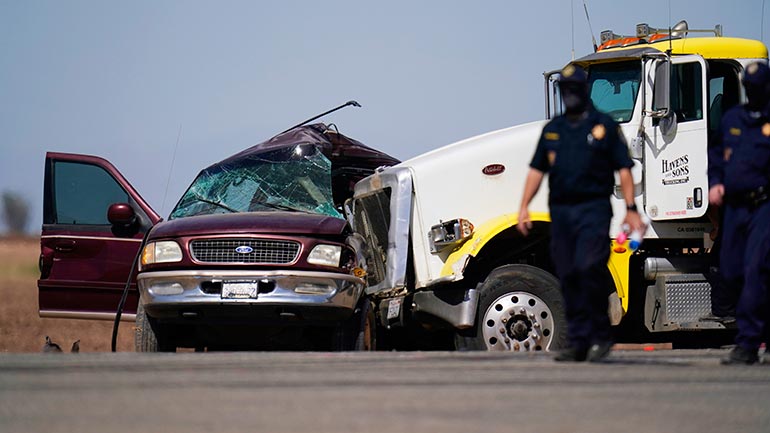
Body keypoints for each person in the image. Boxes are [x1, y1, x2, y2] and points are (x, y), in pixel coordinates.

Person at [517, 64, 642, 362]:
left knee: (590, 269)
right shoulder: (554, 130)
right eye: (565, 89)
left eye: (574, 88)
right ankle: (579, 341)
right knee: (569, 274)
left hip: (593, 211)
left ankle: (600, 336)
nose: (569, 94)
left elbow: (624, 169)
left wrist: (631, 208)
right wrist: (523, 206)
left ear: (583, 90)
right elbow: (536, 171)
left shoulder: (604, 127)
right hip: (561, 213)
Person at [708, 61, 770, 365]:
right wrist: (715, 182)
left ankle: (747, 344)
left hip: (764, 206)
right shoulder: (733, 119)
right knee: (730, 272)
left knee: (756, 270)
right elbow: (716, 155)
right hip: (735, 208)